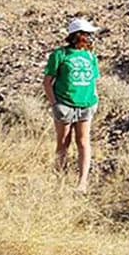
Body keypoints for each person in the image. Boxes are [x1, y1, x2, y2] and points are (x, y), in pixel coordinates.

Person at [43, 18, 101, 192]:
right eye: (87, 34)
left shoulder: (91, 57)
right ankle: (59, 180)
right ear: (78, 35)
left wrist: (95, 98)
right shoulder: (59, 55)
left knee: (83, 142)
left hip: (86, 104)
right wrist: (55, 104)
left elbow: (94, 80)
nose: (90, 38)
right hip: (65, 104)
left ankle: (82, 182)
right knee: (63, 142)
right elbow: (47, 82)